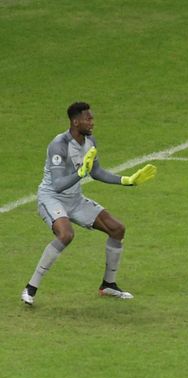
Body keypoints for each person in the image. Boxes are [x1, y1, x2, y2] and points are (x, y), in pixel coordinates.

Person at [21, 102, 157, 306]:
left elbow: (97, 172)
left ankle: (108, 285)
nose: (92, 122)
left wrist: (126, 180)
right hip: (52, 198)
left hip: (75, 199)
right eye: (88, 118)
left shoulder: (89, 141)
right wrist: (80, 173)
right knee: (66, 234)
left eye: (92, 118)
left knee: (117, 229)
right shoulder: (59, 145)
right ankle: (31, 287)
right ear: (75, 121)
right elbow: (57, 185)